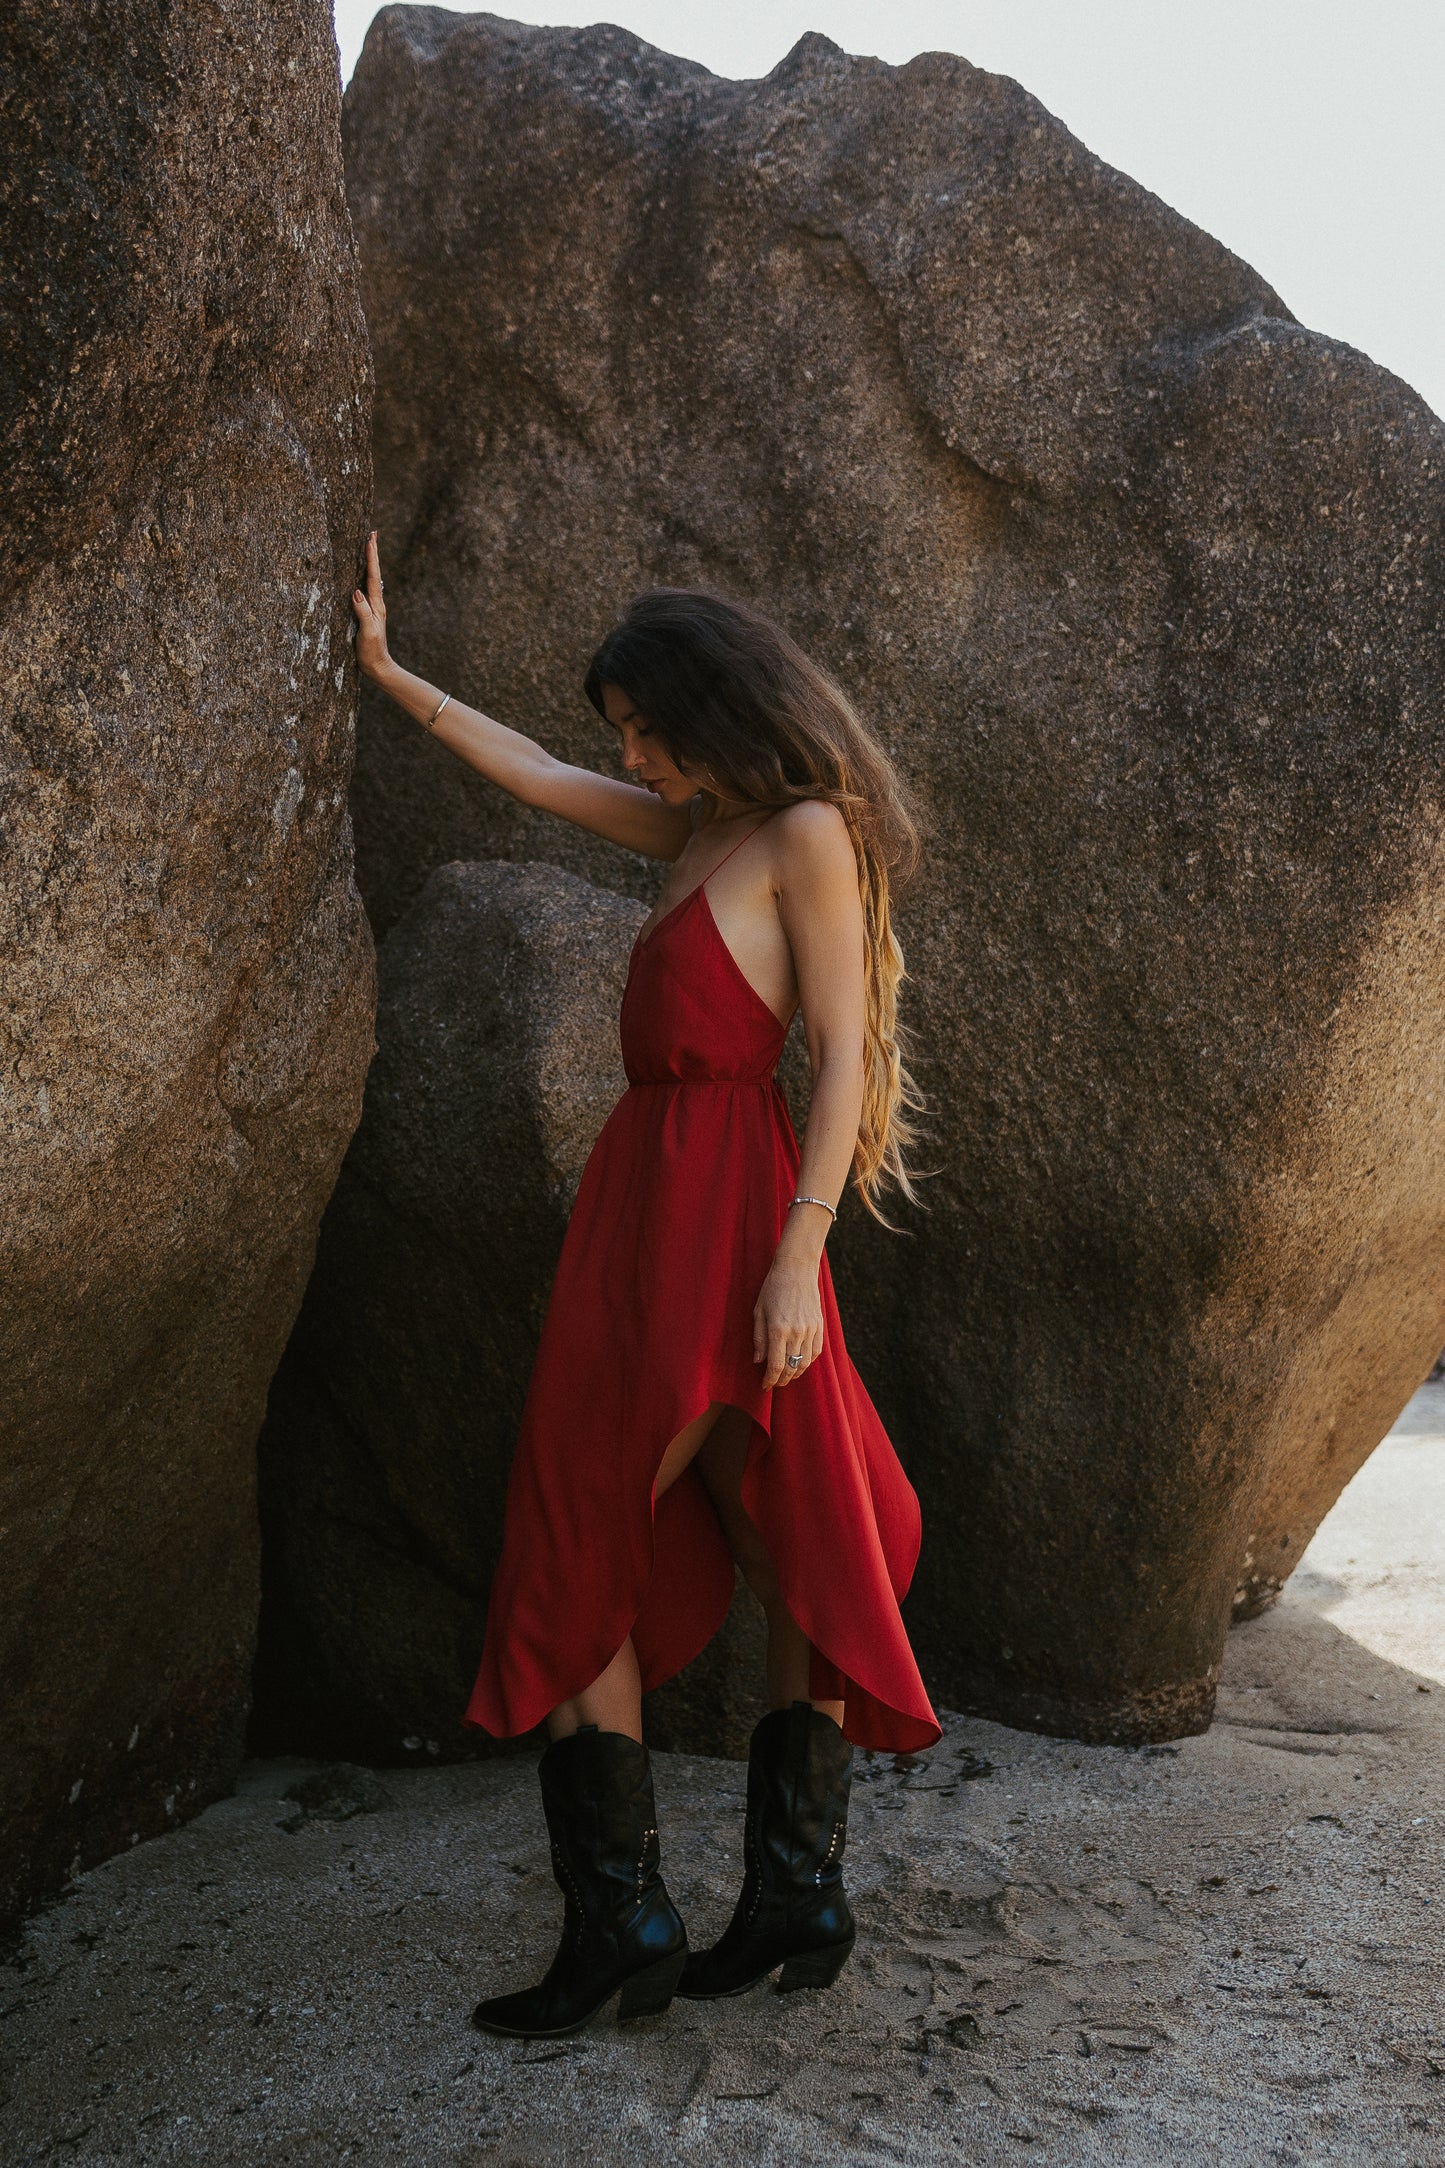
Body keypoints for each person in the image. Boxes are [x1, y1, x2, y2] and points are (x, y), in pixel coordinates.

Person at [352, 536, 940, 2041]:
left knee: (756, 1516)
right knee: (656, 1515)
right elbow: (538, 773)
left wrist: (801, 1253)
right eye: (622, 730)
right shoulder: (690, 830)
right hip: (643, 1203)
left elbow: (843, 1054)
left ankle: (731, 1908)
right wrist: (391, 674)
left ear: (712, 708)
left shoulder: (805, 831)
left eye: (643, 724)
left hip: (735, 1211)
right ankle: (662, 1918)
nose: (629, 753)